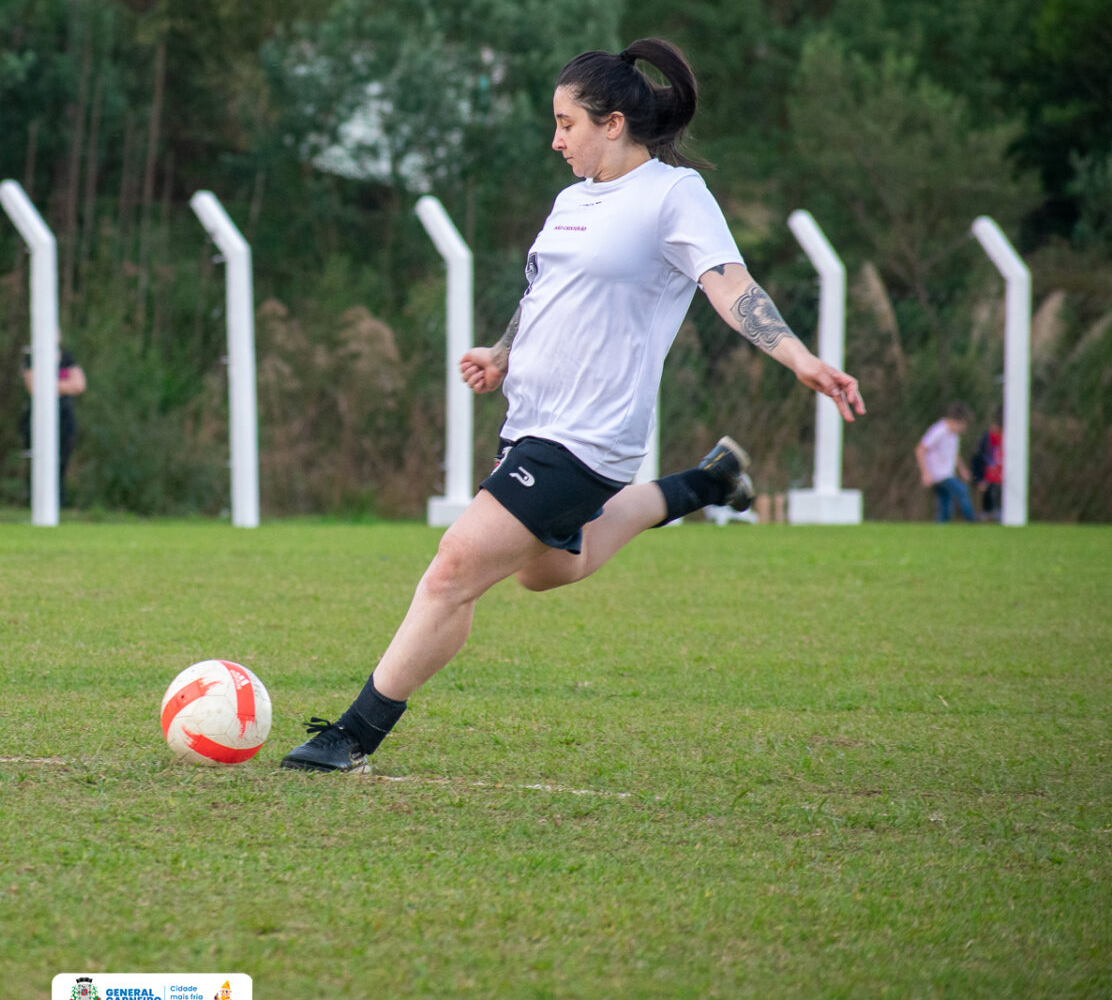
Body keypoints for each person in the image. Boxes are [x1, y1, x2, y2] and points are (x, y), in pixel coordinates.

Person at [281, 38, 864, 774]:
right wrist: (502, 352)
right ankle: (706, 483)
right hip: (530, 423)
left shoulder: (672, 195)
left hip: (589, 436)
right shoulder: (570, 201)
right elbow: (542, 296)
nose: (555, 140)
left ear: (613, 122)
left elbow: (727, 283)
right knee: (545, 569)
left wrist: (801, 358)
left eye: (566, 123)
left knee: (453, 567)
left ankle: (350, 736)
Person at [21, 345, 86, 504]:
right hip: (37, 416)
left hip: (65, 418)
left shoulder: (67, 358)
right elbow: (33, 387)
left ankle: (60, 503)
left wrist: (47, 385)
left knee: (61, 462)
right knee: (38, 462)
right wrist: (63, 386)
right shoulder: (32, 359)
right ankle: (34, 502)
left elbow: (78, 385)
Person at [915, 402, 977, 523]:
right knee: (962, 491)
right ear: (955, 421)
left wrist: (962, 469)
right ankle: (972, 522)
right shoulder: (939, 431)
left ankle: (940, 531)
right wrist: (925, 473)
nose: (964, 428)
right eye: (963, 424)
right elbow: (920, 449)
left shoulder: (954, 434)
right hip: (939, 475)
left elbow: (954, 452)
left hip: (947, 474)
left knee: (945, 509)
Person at [971, 416, 1003, 520]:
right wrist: (979, 479)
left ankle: (998, 512)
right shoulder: (986, 439)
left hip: (1002, 476)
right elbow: (977, 459)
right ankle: (986, 513)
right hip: (988, 476)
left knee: (999, 493)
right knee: (989, 493)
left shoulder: (1008, 438)